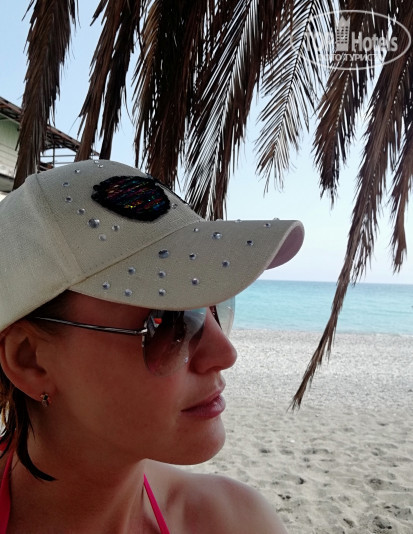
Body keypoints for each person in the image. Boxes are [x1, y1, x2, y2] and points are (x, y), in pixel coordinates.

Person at [0, 159, 304, 533]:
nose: (225, 354)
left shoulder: (236, 521)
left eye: (217, 307)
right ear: (30, 360)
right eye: (172, 320)